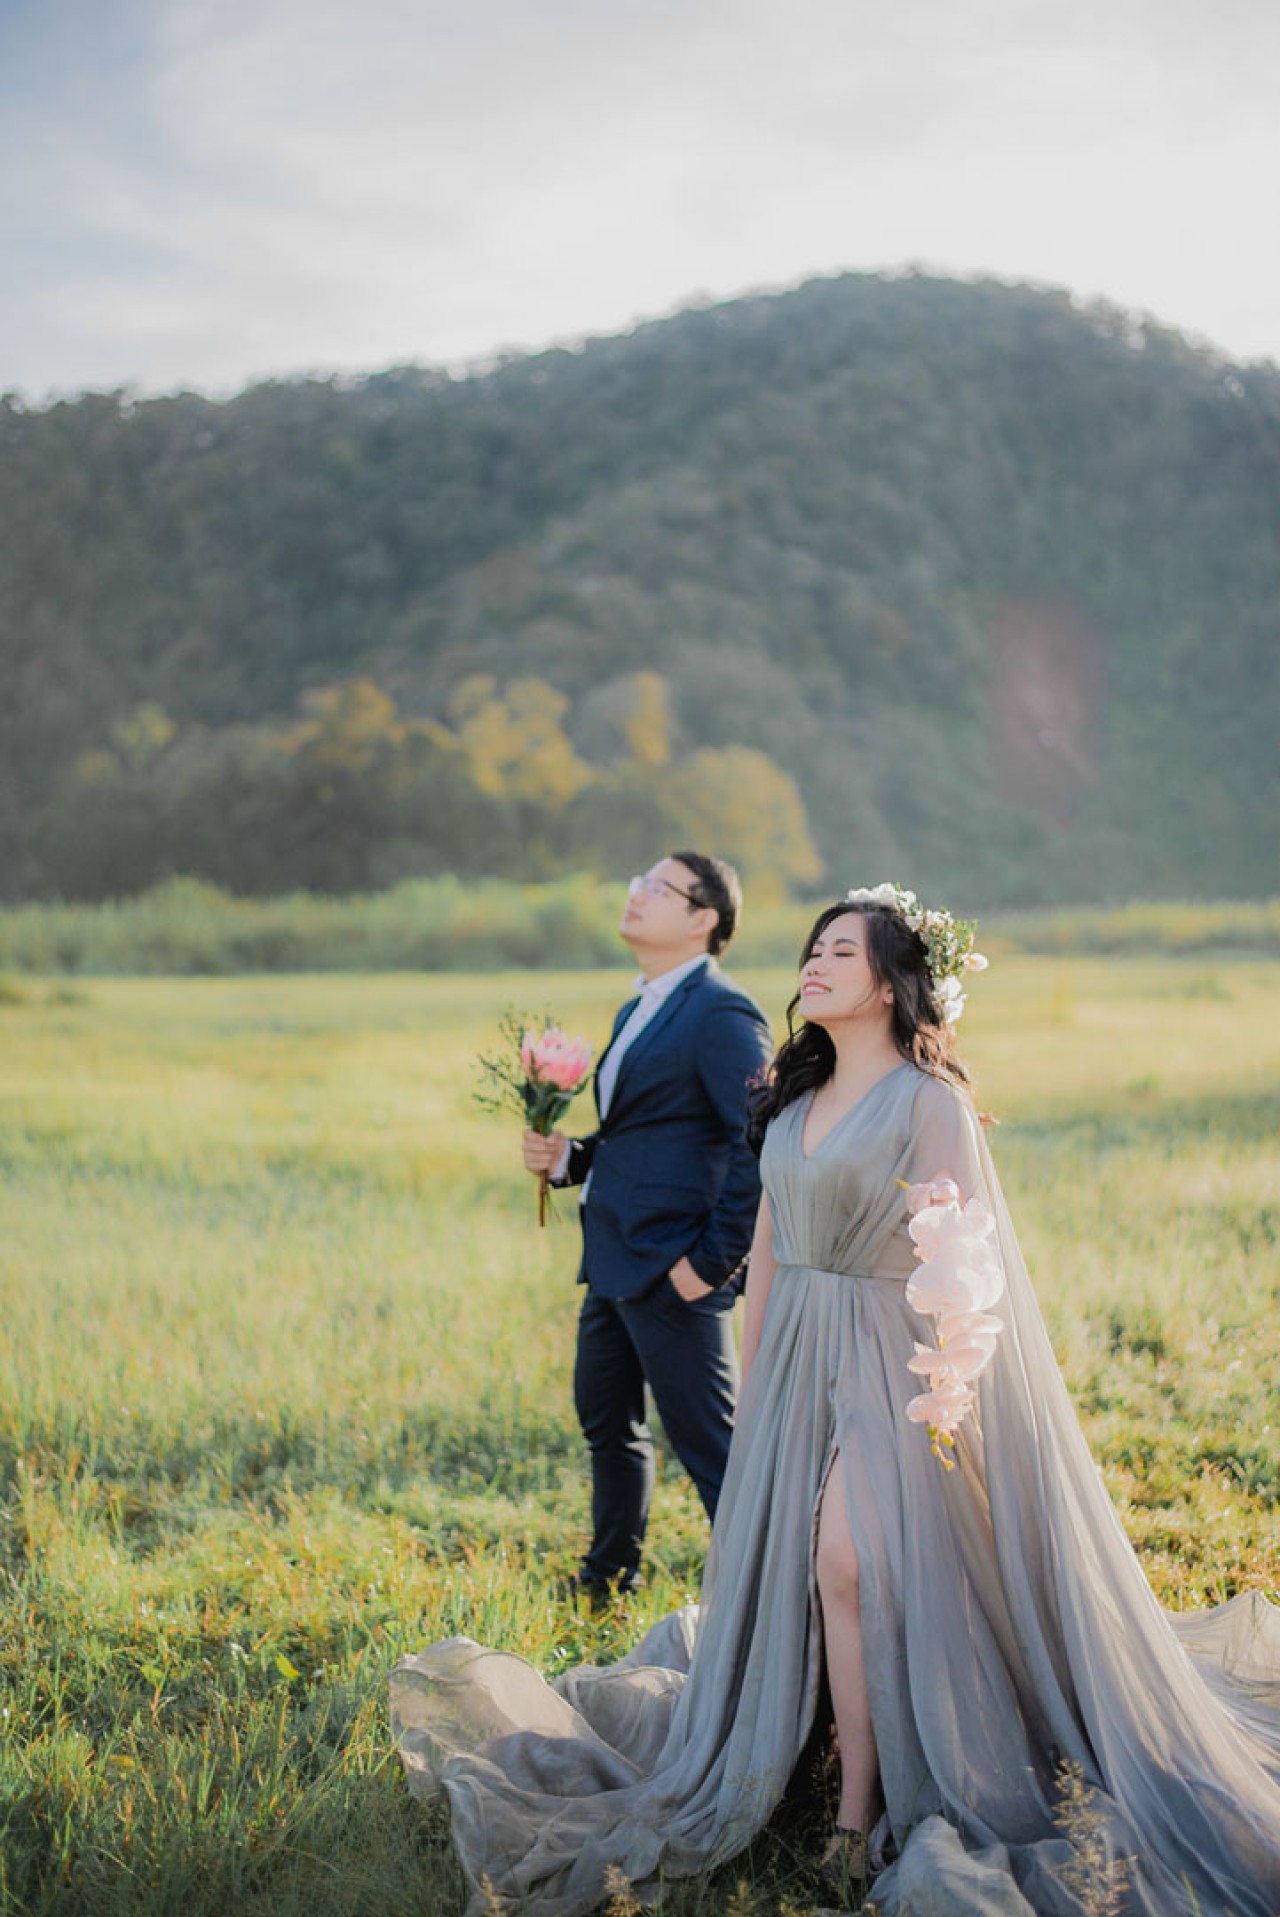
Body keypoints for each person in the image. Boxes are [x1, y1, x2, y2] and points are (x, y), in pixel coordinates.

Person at [392, 886, 1280, 1917]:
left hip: (895, 1360)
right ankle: (820, 1759)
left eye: (841, 951)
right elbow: (770, 1245)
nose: (813, 963)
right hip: (797, 1356)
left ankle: (861, 1812)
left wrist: (939, 1393)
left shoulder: (929, 1103)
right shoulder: (789, 1095)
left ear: (891, 983)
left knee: (849, 1560)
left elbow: (961, 1262)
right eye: (812, 948)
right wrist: (762, 1376)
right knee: (814, 1573)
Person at [521, 851, 772, 1604]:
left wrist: (710, 1264)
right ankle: (607, 1578)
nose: (636, 895)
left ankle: (766, 1601)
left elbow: (760, 1138)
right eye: (639, 882)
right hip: (614, 1256)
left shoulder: (721, 1012)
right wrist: (570, 1157)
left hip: (674, 1266)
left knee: (712, 1445)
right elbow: (642, 1134)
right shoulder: (641, 1006)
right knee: (607, 1421)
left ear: (703, 919)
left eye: (658, 888)